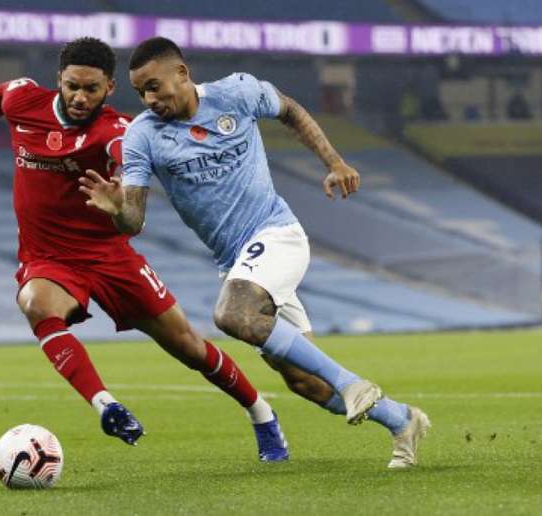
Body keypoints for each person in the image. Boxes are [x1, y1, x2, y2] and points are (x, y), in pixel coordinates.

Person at [80, 37, 431, 469]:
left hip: (276, 233)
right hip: (239, 263)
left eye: (155, 86)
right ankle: (402, 420)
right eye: (141, 92)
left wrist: (335, 162)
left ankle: (354, 383)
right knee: (306, 384)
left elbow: (291, 110)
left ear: (183, 74)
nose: (150, 99)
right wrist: (117, 211)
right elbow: (134, 220)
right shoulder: (142, 137)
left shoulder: (237, 93)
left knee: (232, 315)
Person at [0, 37, 288, 460]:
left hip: (109, 255)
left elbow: (128, 162)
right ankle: (107, 406)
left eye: (91, 89)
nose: (80, 98)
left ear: (109, 89)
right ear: (58, 79)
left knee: (187, 344)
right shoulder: (23, 100)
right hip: (50, 259)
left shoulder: (116, 131)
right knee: (36, 303)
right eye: (73, 86)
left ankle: (261, 413)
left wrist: (122, 201)